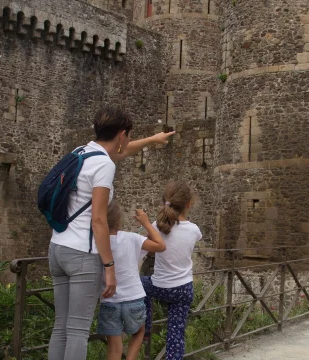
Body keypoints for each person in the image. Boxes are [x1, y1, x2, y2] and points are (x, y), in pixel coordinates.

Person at [48, 105, 174, 360]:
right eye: (128, 135)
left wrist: (152, 139)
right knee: (77, 331)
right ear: (121, 133)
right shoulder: (104, 165)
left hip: (57, 247)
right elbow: (98, 219)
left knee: (61, 326)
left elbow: (122, 150)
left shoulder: (80, 153)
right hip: (82, 254)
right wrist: (108, 265)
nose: (127, 141)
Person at [97, 200, 166, 360]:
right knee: (139, 332)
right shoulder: (131, 238)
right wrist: (146, 223)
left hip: (109, 299)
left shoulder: (97, 242)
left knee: (114, 349)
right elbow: (160, 246)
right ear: (119, 220)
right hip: (133, 298)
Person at [141, 182, 202, 360]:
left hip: (159, 287)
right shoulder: (194, 230)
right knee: (176, 335)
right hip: (182, 289)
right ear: (189, 204)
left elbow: (144, 248)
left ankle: (145, 327)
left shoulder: (156, 226)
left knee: (142, 283)